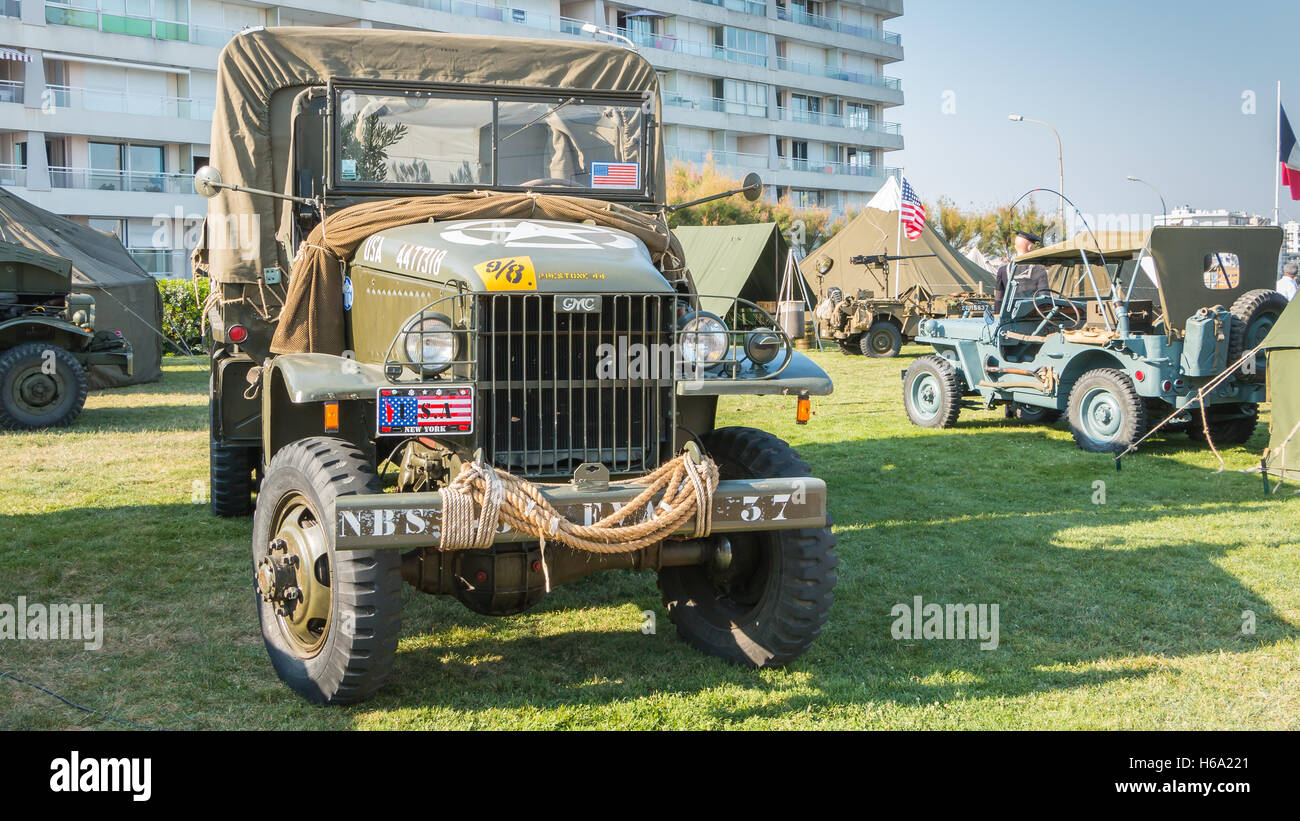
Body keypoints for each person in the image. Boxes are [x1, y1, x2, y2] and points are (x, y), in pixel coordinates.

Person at [993, 230, 1052, 309]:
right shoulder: (1039, 269)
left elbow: (998, 299)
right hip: (1032, 318)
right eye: (1033, 246)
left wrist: (998, 319)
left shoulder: (1002, 270)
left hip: (1007, 318)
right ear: (1030, 247)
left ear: (1015, 247)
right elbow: (1045, 299)